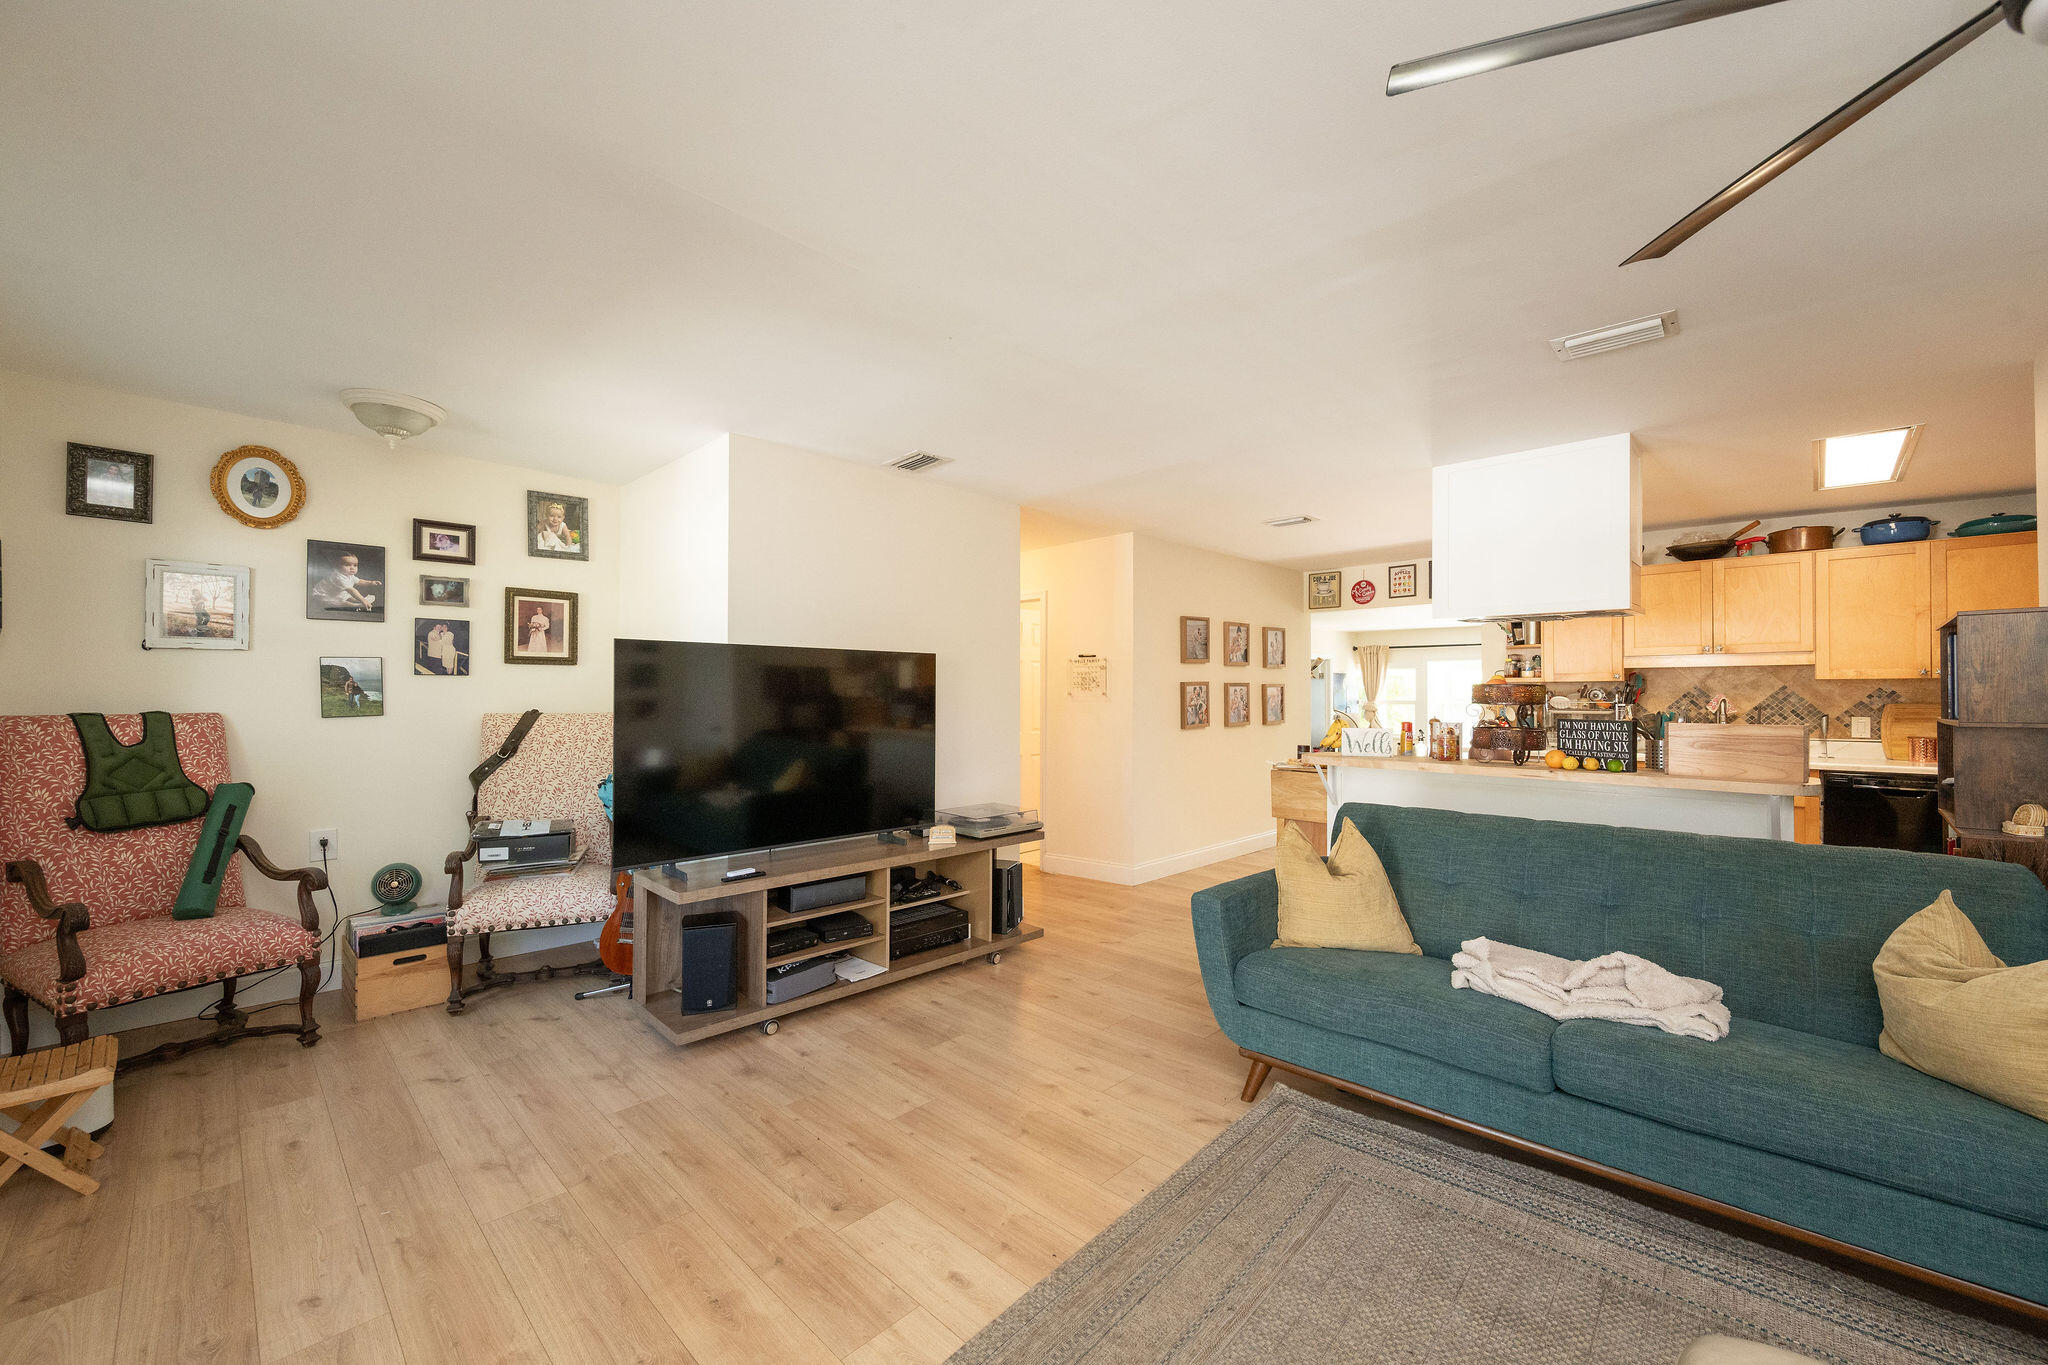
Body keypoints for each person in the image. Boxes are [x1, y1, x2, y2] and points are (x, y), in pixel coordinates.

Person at [313, 551, 379, 612]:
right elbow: (352, 590)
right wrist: (363, 600)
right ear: (337, 566)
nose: (352, 568)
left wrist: (370, 582)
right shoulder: (338, 577)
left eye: (355, 565)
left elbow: (359, 581)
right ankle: (356, 606)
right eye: (347, 565)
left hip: (337, 592)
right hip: (323, 594)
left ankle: (357, 601)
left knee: (348, 597)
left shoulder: (348, 575)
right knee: (341, 602)